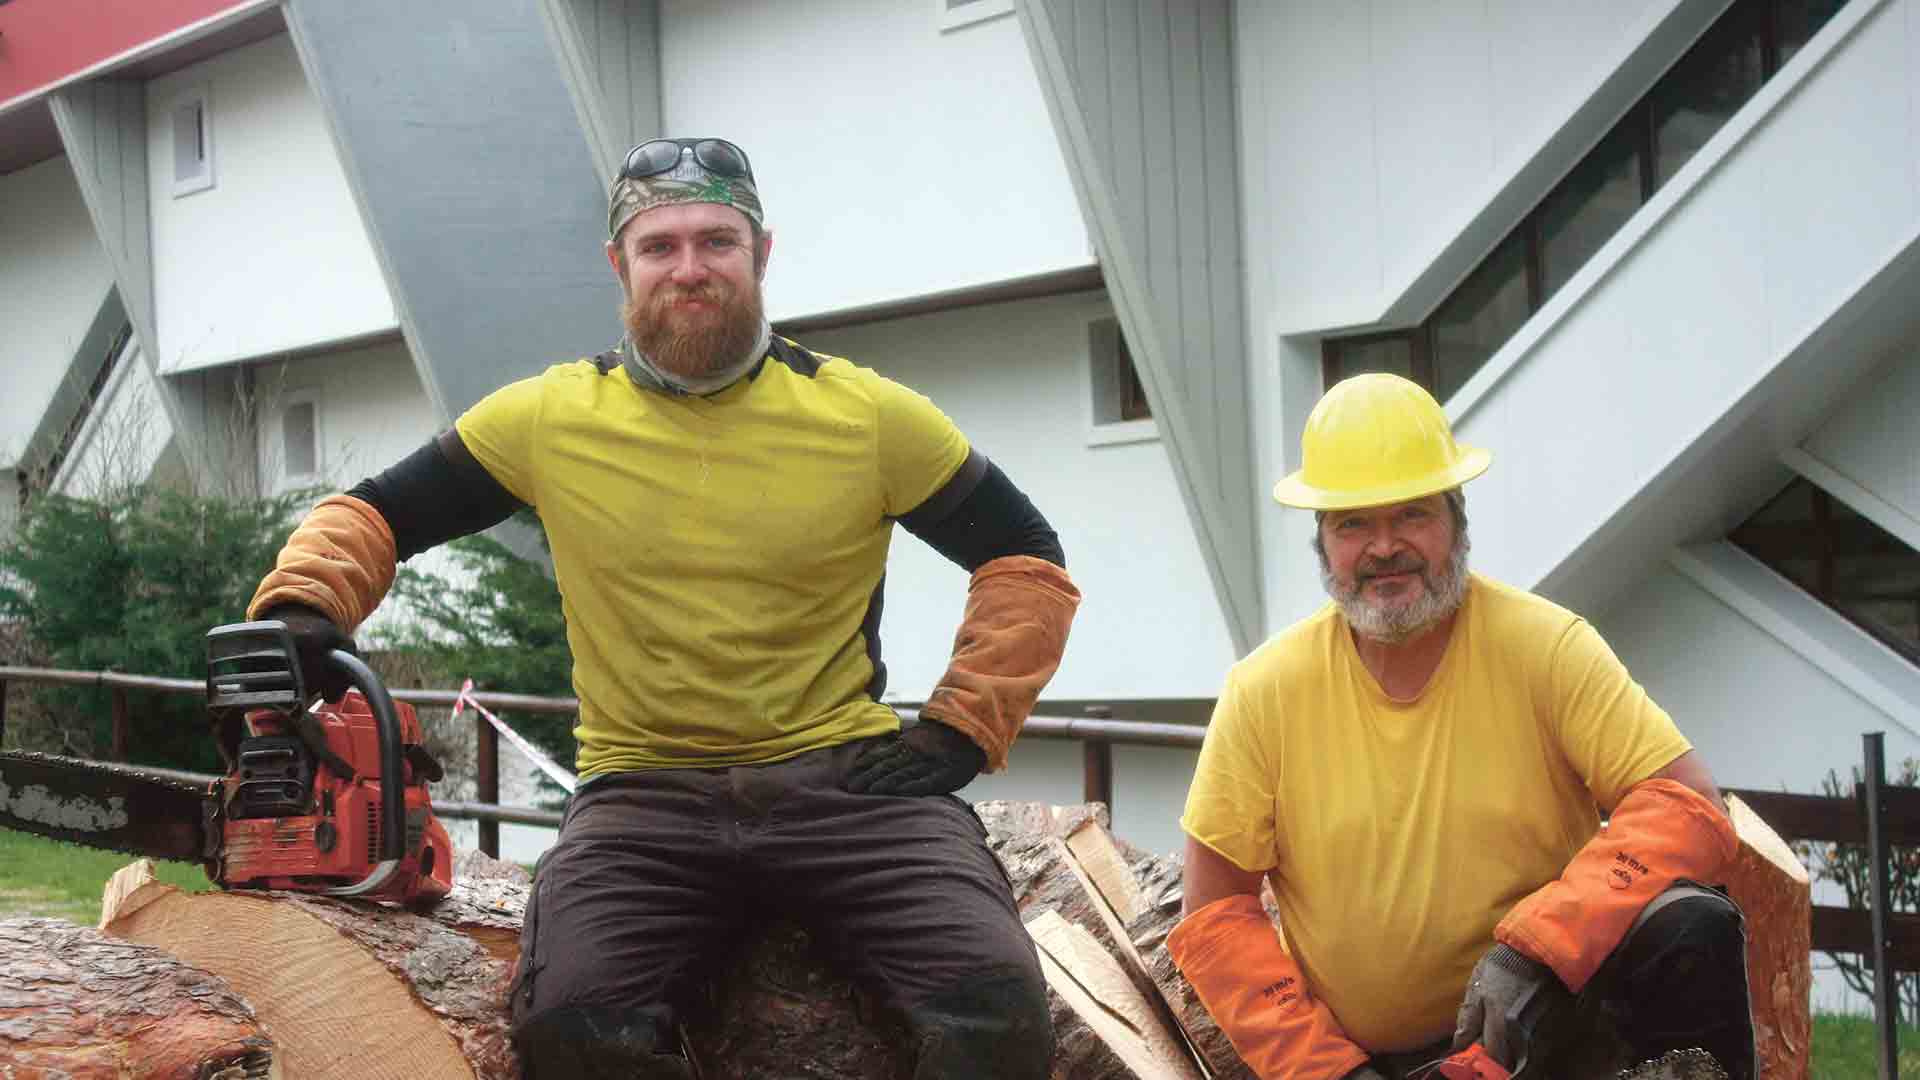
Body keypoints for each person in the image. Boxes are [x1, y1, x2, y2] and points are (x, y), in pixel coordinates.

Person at [242, 136, 1080, 1078]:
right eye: (661, 246)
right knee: (574, 1034)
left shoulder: (870, 416)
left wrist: (965, 724)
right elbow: (375, 515)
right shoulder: (548, 417)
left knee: (995, 1016)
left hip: (847, 789)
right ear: (621, 265)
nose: (690, 269)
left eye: (718, 241)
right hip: (641, 799)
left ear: (762, 253)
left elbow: (1023, 553)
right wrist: (304, 608)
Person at [1168, 374, 1754, 1080]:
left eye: (1412, 514)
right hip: (1383, 1064)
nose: (1384, 547)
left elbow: (1688, 805)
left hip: (1560, 1028)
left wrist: (1537, 950)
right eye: (1352, 523)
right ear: (1322, 544)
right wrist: (1329, 1072)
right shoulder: (1264, 692)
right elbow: (1217, 913)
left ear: (1457, 523)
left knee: (1691, 925)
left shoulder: (1545, 647)